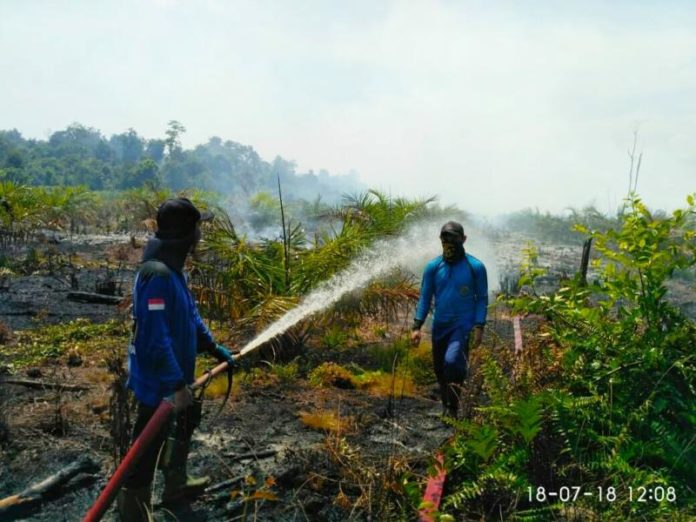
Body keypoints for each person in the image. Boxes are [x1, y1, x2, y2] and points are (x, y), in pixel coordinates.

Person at [117, 198, 235, 521]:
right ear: (188, 232)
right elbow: (155, 340)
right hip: (158, 386)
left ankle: (176, 486)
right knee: (145, 451)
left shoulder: (174, 271)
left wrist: (213, 348)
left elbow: (190, 317)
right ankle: (134, 512)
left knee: (183, 427)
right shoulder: (157, 275)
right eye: (198, 226)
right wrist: (174, 384)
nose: (201, 232)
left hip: (177, 379)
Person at [411, 221, 488, 418]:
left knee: (452, 362)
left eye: (454, 238)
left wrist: (479, 325)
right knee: (440, 369)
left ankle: (453, 409)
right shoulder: (433, 267)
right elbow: (425, 297)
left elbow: (482, 298)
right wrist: (417, 326)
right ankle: (447, 403)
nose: (449, 242)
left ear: (464, 239)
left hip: (462, 326)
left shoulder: (475, 267)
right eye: (445, 238)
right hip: (440, 326)